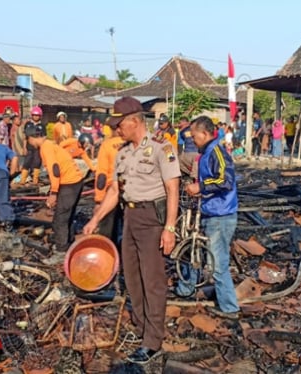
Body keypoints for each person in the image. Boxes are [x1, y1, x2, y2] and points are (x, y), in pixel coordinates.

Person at [83, 97, 180, 364]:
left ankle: (153, 341)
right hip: (130, 216)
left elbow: (173, 189)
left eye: (119, 124)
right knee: (132, 280)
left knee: (153, 281)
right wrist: (96, 219)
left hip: (152, 219)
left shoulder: (163, 148)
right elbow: (115, 191)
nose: (116, 130)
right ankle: (141, 328)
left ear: (134, 121)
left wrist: (169, 228)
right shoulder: (123, 152)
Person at [183, 116, 240, 320]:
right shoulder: (207, 152)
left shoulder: (217, 151)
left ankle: (229, 307)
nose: (192, 138)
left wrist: (201, 187)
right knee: (214, 260)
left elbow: (226, 180)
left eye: (194, 134)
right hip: (213, 212)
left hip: (221, 215)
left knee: (218, 263)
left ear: (205, 134)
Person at [27, 123, 83, 252]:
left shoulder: (46, 148)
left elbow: (55, 170)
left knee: (60, 219)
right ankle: (68, 243)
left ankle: (62, 250)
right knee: (67, 216)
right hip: (76, 182)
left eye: (29, 139)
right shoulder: (50, 145)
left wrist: (53, 193)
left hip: (69, 183)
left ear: (32, 137)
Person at [93, 124, 125, 243]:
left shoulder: (107, 145)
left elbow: (101, 175)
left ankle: (109, 254)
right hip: (130, 190)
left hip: (111, 190)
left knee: (107, 227)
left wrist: (98, 200)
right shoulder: (131, 143)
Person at [18, 106, 43, 186]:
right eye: (34, 115)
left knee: (37, 163)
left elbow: (44, 138)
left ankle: (35, 180)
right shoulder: (28, 124)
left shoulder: (42, 126)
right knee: (26, 163)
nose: (36, 117)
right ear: (32, 115)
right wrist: (24, 147)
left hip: (38, 148)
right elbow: (25, 137)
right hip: (29, 148)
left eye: (37, 115)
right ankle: (22, 180)